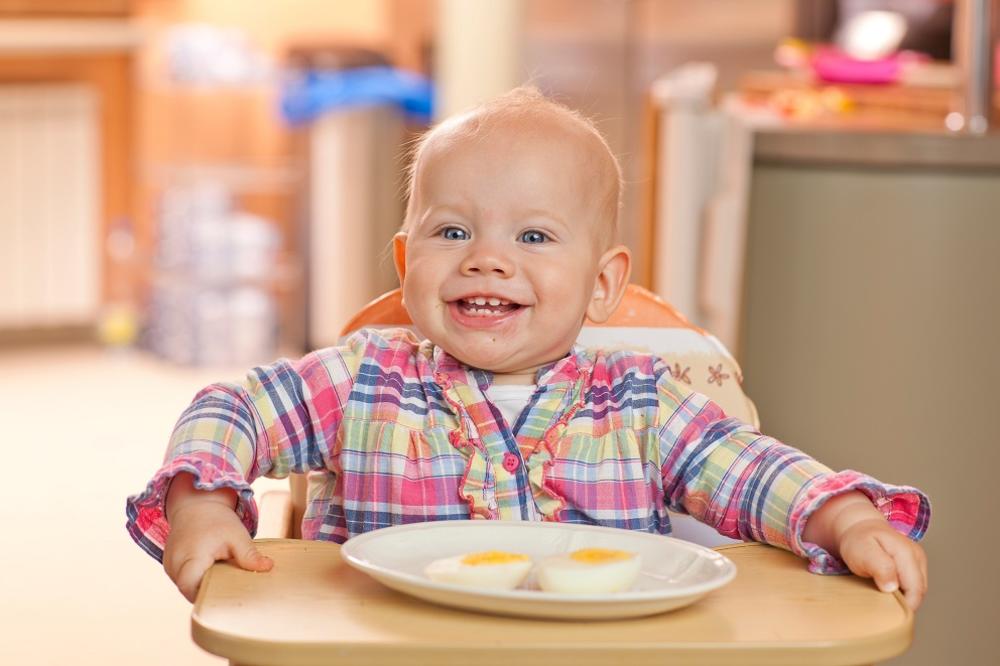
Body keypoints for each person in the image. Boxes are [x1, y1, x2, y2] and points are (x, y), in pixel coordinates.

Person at [126, 87, 929, 609]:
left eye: (535, 235)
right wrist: (201, 497)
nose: (487, 258)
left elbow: (753, 471)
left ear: (603, 285)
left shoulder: (646, 404)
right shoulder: (361, 381)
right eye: (452, 231)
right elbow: (233, 408)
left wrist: (843, 518)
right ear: (407, 264)